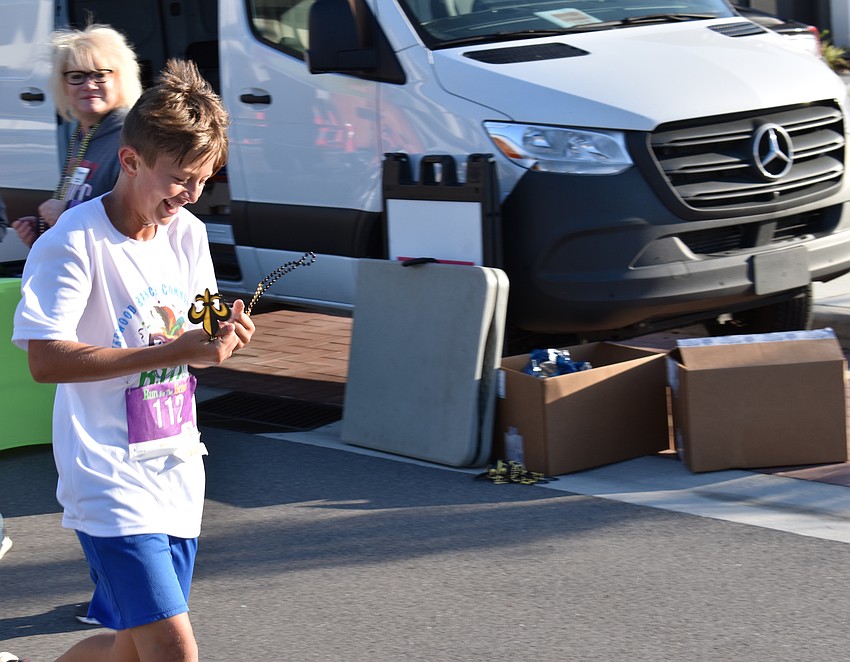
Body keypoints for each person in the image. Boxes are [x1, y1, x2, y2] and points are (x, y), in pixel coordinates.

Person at [11, 58, 254, 662]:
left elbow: (191, 345)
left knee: (133, 650)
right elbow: (44, 360)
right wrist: (174, 350)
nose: (190, 196)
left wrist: (219, 337)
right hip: (107, 475)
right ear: (130, 160)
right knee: (175, 654)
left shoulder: (189, 234)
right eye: (178, 179)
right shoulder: (72, 241)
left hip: (175, 469)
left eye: (203, 181)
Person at [11, 23, 142, 248]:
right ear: (62, 84)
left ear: (120, 78)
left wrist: (66, 210)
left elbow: (139, 218)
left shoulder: (132, 136)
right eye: (77, 76)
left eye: (100, 75)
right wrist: (45, 231)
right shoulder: (82, 136)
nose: (89, 85)